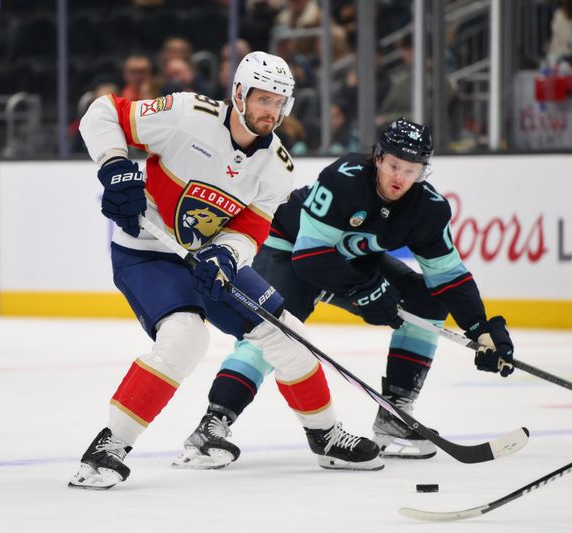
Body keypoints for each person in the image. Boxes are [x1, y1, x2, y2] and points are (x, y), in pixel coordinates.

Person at [68, 51, 383, 490]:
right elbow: (101, 113)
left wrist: (226, 255)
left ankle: (325, 435)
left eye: (279, 102)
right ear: (239, 94)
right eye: (262, 100)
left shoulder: (277, 166)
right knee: (186, 337)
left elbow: (250, 230)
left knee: (286, 332)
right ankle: (108, 447)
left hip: (207, 257)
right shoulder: (186, 114)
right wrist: (115, 166)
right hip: (147, 252)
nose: (271, 111)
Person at [175, 117, 515, 469]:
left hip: (350, 258)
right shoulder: (346, 178)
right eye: (394, 165)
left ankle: (394, 416)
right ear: (378, 157)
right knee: (274, 329)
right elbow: (310, 257)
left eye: (411, 170)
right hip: (288, 248)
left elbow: (448, 276)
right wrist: (364, 291)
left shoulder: (429, 208)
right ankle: (212, 425)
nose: (400, 177)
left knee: (426, 299)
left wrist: (480, 328)